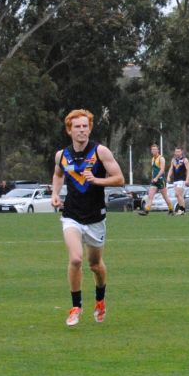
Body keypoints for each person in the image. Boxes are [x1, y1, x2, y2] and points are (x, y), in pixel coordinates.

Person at [50, 109, 125, 327]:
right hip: (71, 216)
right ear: (69, 130)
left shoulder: (100, 151)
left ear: (90, 128)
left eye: (85, 126)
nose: (82, 130)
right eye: (77, 127)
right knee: (75, 259)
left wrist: (97, 180)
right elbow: (58, 174)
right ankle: (76, 306)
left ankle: (100, 300)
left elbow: (119, 179)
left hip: (95, 217)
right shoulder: (61, 155)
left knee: (95, 265)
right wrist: (55, 194)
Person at [139, 143, 174, 216]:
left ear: (158, 150)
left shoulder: (161, 158)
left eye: (155, 149)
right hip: (154, 180)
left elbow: (162, 170)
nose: (153, 151)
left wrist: (157, 178)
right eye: (152, 149)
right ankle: (146, 210)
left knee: (165, 197)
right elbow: (153, 170)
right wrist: (153, 178)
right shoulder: (152, 159)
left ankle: (171, 209)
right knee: (150, 195)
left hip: (161, 180)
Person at [166, 146, 189, 215]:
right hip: (175, 180)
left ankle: (181, 210)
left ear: (181, 152)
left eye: (178, 151)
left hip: (182, 180)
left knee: (178, 194)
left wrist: (187, 179)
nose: (177, 153)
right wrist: (168, 176)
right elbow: (171, 169)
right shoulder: (173, 160)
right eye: (176, 151)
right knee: (178, 196)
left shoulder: (185, 160)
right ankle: (183, 210)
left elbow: (188, 170)